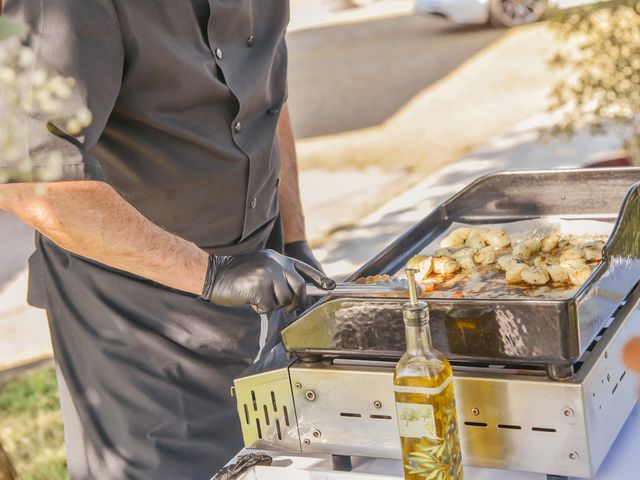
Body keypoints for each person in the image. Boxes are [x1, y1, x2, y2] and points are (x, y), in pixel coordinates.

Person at [0, 1, 334, 479]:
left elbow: (267, 99)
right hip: (133, 325)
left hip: (261, 284)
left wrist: (295, 241)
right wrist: (210, 274)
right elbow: (29, 182)